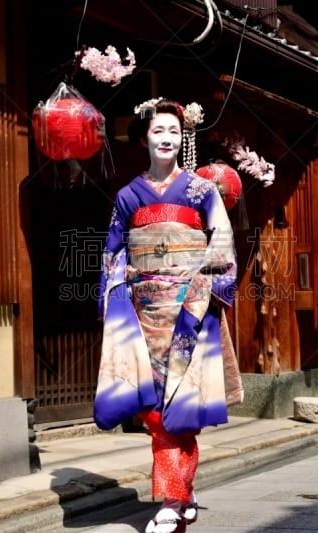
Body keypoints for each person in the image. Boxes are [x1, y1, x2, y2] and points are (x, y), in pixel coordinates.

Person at [94, 98, 243, 533]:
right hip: (143, 312)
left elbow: (223, 242)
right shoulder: (128, 195)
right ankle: (180, 494)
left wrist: (203, 292)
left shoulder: (201, 191)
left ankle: (171, 499)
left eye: (174, 132)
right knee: (155, 410)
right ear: (145, 138)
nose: (166, 139)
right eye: (158, 131)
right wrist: (113, 299)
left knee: (181, 407)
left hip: (188, 309)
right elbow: (113, 252)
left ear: (184, 139)